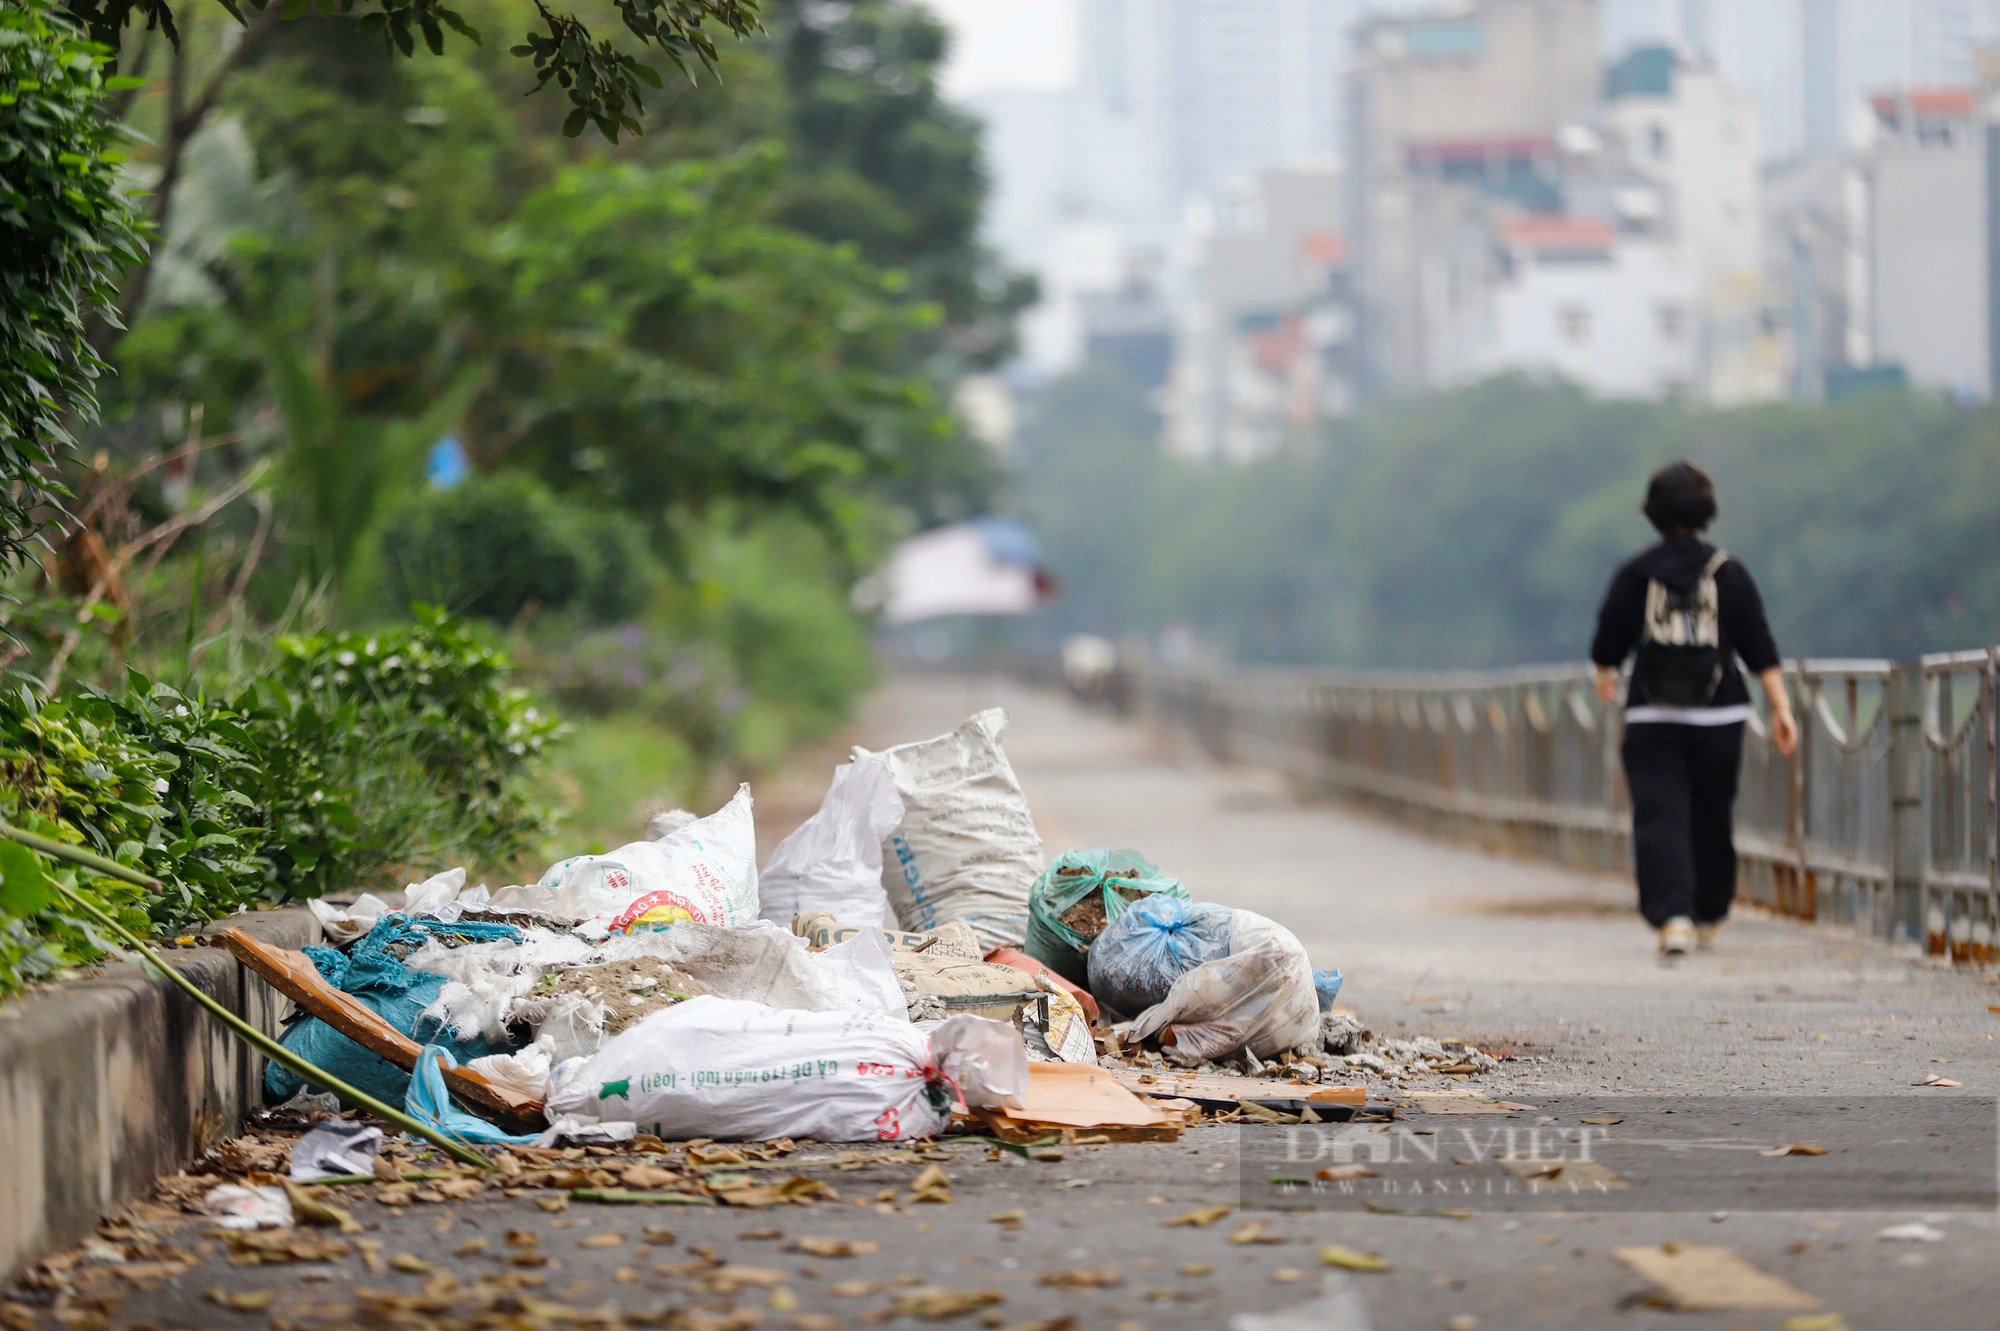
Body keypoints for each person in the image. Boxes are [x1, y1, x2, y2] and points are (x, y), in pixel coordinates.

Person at [1589, 462, 1798, 956]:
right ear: (1706, 510)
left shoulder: (1635, 573)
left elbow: (1607, 642)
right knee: (1711, 812)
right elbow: (1758, 646)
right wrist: (1781, 707)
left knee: (1659, 815)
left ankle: (1673, 918)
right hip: (1719, 716)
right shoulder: (1728, 572)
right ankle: (1708, 911)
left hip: (1650, 715)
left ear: (1652, 513)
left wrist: (1606, 674)